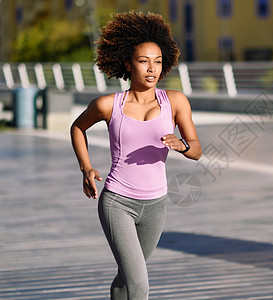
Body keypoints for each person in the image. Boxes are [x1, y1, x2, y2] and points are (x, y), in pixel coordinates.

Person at [70, 11, 201, 299]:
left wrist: (183, 146)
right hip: (118, 202)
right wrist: (86, 167)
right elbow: (78, 127)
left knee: (127, 276)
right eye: (144, 61)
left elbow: (197, 150)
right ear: (128, 64)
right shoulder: (107, 105)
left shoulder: (175, 101)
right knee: (139, 283)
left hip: (156, 205)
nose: (151, 69)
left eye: (158, 62)